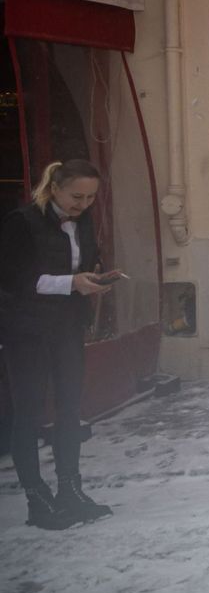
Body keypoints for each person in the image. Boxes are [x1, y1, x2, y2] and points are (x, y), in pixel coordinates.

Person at [1, 160, 118, 530]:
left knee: (70, 409)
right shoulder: (21, 222)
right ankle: (37, 499)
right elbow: (17, 281)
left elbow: (80, 264)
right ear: (54, 188)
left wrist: (95, 278)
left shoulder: (81, 220)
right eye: (76, 196)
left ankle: (71, 490)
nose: (82, 204)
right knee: (29, 413)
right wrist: (71, 283)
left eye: (90, 198)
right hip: (26, 329)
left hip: (67, 326)